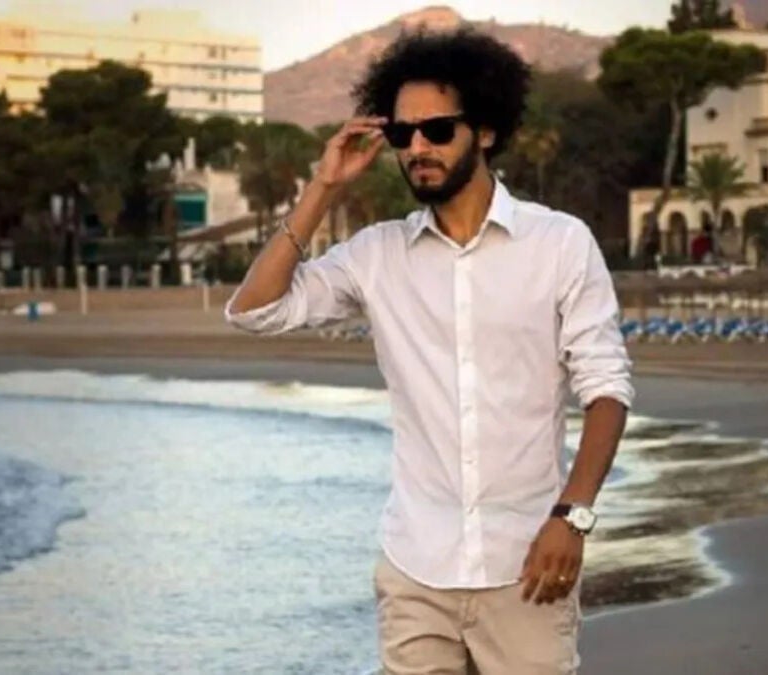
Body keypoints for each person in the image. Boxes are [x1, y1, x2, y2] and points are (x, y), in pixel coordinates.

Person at [225, 28, 632, 674]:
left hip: (528, 565)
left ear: (486, 130)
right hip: (416, 569)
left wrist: (572, 516)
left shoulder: (559, 244)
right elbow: (255, 310)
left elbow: (606, 390)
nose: (418, 148)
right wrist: (323, 187)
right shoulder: (377, 254)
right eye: (402, 133)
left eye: (438, 130)